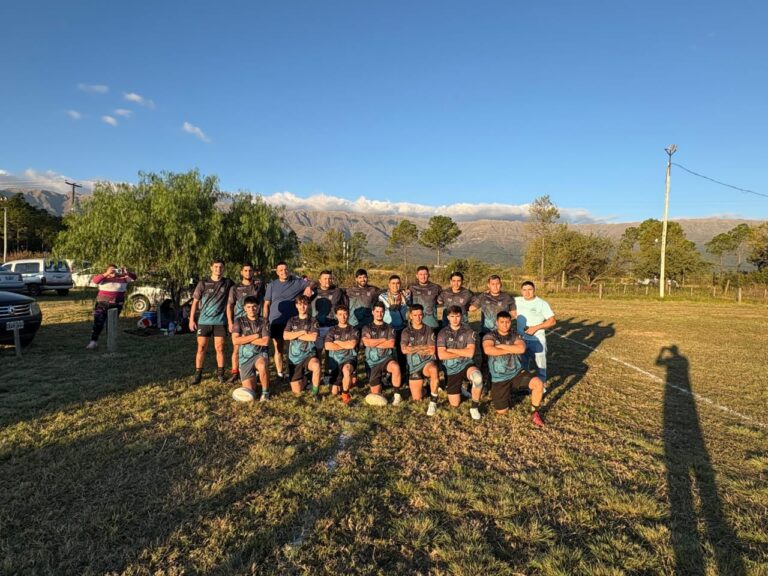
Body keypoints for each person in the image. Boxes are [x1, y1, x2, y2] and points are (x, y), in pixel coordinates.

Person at [482, 310, 545, 427]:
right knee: (502, 412)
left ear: (511, 322)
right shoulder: (490, 335)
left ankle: (534, 412)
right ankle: (509, 393)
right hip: (499, 378)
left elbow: (521, 349)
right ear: (497, 322)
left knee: (538, 383)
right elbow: (488, 350)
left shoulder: (515, 334)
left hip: (517, 373)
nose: (505, 325)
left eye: (507, 322)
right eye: (502, 322)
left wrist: (500, 346)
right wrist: (511, 348)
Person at [262, 262, 314, 381]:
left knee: (293, 348)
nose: (283, 272)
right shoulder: (271, 285)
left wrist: (308, 287)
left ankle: (294, 372)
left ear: (288, 270)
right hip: (276, 321)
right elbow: (266, 304)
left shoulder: (296, 282)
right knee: (278, 348)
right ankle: (280, 373)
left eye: (285, 269)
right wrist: (265, 321)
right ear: (277, 272)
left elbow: (313, 282)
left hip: (293, 322)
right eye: (281, 270)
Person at [189, 259, 234, 384]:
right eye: (216, 267)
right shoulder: (203, 283)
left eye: (220, 267)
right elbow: (195, 302)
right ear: (211, 268)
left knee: (219, 348)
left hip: (220, 321)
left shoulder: (228, 283)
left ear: (223, 269)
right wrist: (191, 319)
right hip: (204, 321)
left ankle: (220, 374)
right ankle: (198, 374)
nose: (218, 269)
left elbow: (237, 294)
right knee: (201, 347)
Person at [436, 305, 484, 420]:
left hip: (466, 364)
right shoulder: (442, 332)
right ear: (447, 317)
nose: (455, 319)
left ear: (461, 316)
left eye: (457, 316)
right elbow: (441, 355)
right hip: (451, 369)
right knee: (454, 404)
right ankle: (459, 388)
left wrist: (451, 350)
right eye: (452, 316)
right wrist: (463, 352)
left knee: (478, 378)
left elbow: (470, 353)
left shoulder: (468, 331)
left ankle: (474, 407)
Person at [514, 281, 556, 392]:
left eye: (530, 290)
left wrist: (536, 328)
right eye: (524, 290)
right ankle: (525, 386)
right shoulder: (516, 300)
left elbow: (552, 321)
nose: (527, 292)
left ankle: (541, 387)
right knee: (523, 365)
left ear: (534, 290)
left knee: (540, 365)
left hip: (537, 340)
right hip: (521, 340)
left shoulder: (542, 303)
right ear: (521, 291)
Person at [226, 263, 264, 383]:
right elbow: (229, 306)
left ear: (253, 272)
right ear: (241, 272)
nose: (248, 273)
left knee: (257, 347)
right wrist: (230, 322)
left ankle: (257, 372)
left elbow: (265, 302)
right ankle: (235, 373)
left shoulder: (259, 286)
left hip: (255, 322)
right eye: (246, 271)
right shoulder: (235, 288)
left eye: (250, 271)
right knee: (237, 348)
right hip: (240, 322)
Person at [400, 303, 440, 415]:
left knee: (433, 369)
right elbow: (404, 350)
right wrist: (423, 347)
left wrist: (412, 348)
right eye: (415, 315)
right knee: (417, 399)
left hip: (427, 362)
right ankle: (427, 388)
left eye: (420, 315)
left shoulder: (429, 330)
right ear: (410, 316)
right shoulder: (406, 332)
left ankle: (433, 402)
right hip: (414, 366)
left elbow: (432, 350)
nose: (418, 317)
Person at [86, 264, 137, 350]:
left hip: (117, 304)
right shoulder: (103, 278)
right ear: (107, 271)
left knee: (111, 324)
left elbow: (134, 277)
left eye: (115, 270)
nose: (113, 272)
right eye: (111, 270)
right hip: (102, 304)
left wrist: (126, 272)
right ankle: (93, 342)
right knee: (98, 323)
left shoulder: (123, 278)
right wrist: (106, 273)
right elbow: (95, 280)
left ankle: (110, 342)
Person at [230, 296, 271, 402]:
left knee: (262, 365)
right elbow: (235, 341)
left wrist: (244, 339)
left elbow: (265, 342)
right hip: (245, 358)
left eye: (254, 307)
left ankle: (265, 393)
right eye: (248, 307)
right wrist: (256, 336)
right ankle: (257, 378)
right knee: (250, 393)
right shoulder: (239, 321)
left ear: (258, 308)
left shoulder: (264, 321)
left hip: (260, 354)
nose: (251, 309)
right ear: (244, 308)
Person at [362, 302, 404, 404]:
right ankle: (381, 384)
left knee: (395, 367)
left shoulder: (390, 327)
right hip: (372, 362)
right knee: (375, 393)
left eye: (381, 312)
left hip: (386, 359)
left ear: (384, 313)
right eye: (377, 311)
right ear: (373, 312)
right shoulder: (366, 327)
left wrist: (374, 342)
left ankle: (397, 395)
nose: (379, 314)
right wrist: (383, 340)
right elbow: (366, 342)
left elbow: (391, 343)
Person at [283, 294, 322, 398]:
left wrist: (294, 335)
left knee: (316, 365)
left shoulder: (313, 320)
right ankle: (306, 378)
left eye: (305, 304)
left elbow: (313, 337)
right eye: (300, 304)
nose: (302, 307)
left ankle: (315, 393)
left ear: (308, 305)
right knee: (297, 391)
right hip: (294, 358)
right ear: (296, 305)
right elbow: (285, 336)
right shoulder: (291, 320)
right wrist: (303, 332)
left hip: (309, 354)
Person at [310, 270, 347, 376]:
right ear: (319, 280)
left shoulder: (337, 291)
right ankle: (316, 373)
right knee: (317, 351)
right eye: (325, 278)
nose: (328, 280)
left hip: (332, 326)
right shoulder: (314, 291)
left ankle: (327, 372)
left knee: (329, 351)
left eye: (330, 278)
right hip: (317, 327)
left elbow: (344, 306)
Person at [323, 304, 359, 404]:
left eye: (345, 314)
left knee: (346, 370)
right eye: (340, 314)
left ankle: (345, 394)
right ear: (336, 316)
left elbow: (352, 345)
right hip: (335, 361)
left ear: (348, 315)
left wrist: (337, 342)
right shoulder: (332, 330)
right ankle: (347, 380)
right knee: (334, 392)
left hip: (349, 358)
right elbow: (327, 346)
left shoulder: (353, 329)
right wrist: (344, 344)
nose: (343, 317)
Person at [378, 274, 410, 376]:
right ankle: (387, 374)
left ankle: (403, 373)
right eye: (393, 283)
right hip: (388, 329)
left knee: (401, 352)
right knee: (388, 352)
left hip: (402, 328)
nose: (395, 286)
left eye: (397, 283)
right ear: (389, 284)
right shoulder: (382, 297)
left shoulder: (406, 296)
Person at [408, 266, 441, 330]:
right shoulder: (411, 287)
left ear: (429, 275)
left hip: (431, 324)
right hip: (415, 324)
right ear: (417, 275)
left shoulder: (436, 287)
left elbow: (443, 303)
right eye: (421, 274)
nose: (423, 277)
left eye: (425, 274)